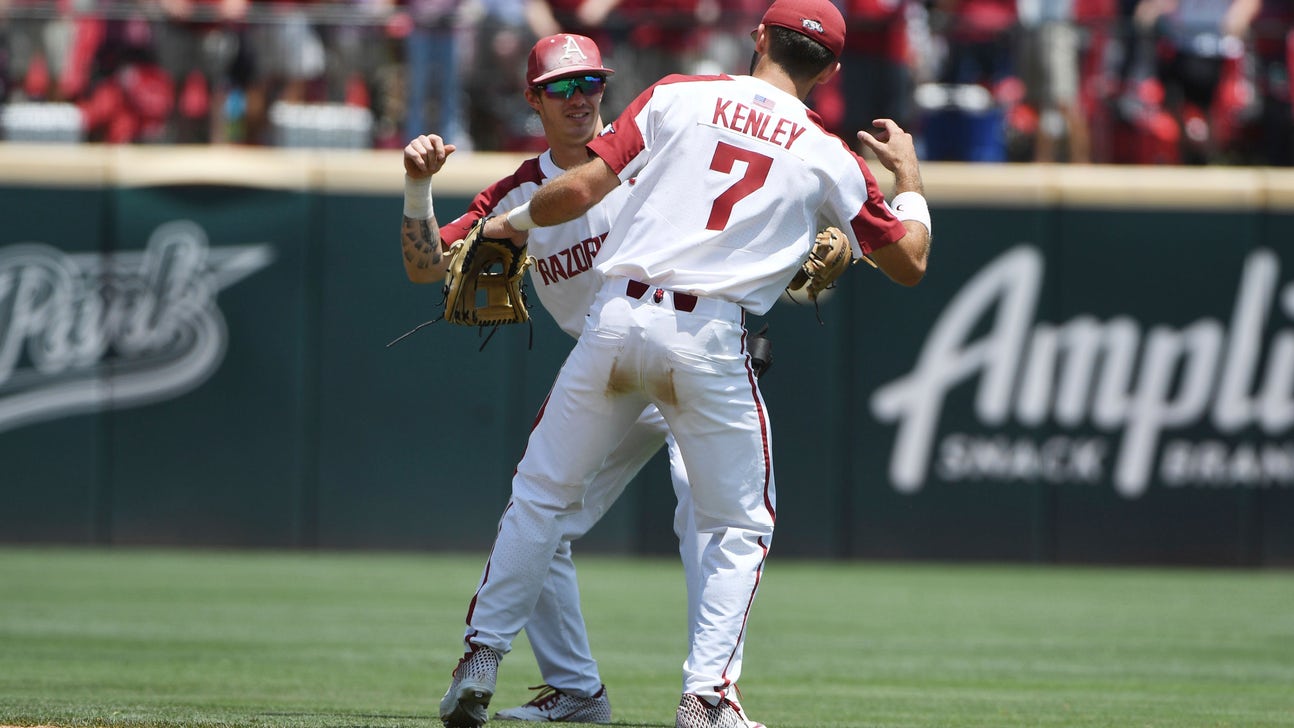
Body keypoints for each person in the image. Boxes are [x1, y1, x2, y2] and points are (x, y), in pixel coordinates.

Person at [438, 1, 932, 726]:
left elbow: (578, 189)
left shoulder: (680, 92)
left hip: (615, 318)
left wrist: (507, 225)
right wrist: (911, 179)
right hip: (709, 336)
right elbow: (911, 263)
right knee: (736, 526)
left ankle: (482, 653)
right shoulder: (830, 152)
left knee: (539, 498)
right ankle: (705, 698)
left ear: (759, 37)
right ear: (829, 72)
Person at [400, 33, 710, 724]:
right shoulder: (521, 191)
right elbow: (427, 267)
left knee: (709, 513)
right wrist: (419, 185)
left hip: (687, 352)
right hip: (609, 376)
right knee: (538, 525)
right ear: (534, 100)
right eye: (563, 89)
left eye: (591, 84)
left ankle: (713, 694)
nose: (580, 99)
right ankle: (576, 692)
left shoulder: (652, 154)